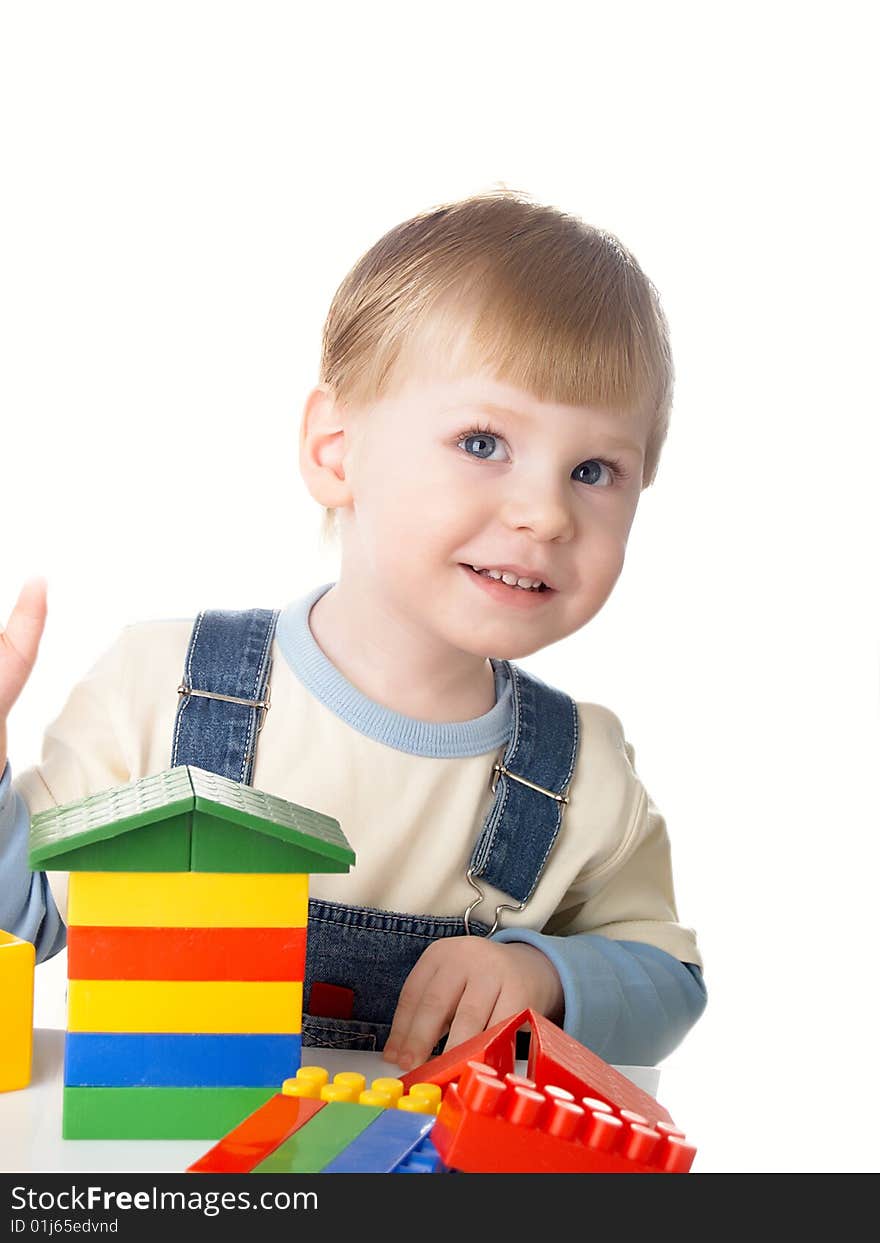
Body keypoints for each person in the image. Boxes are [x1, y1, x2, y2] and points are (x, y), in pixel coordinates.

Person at [0, 190, 706, 1073]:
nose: (544, 512)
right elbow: (25, 914)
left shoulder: (583, 772)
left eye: (594, 469)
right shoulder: (161, 688)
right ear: (335, 449)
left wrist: (545, 974)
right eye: (484, 442)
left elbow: (669, 979)